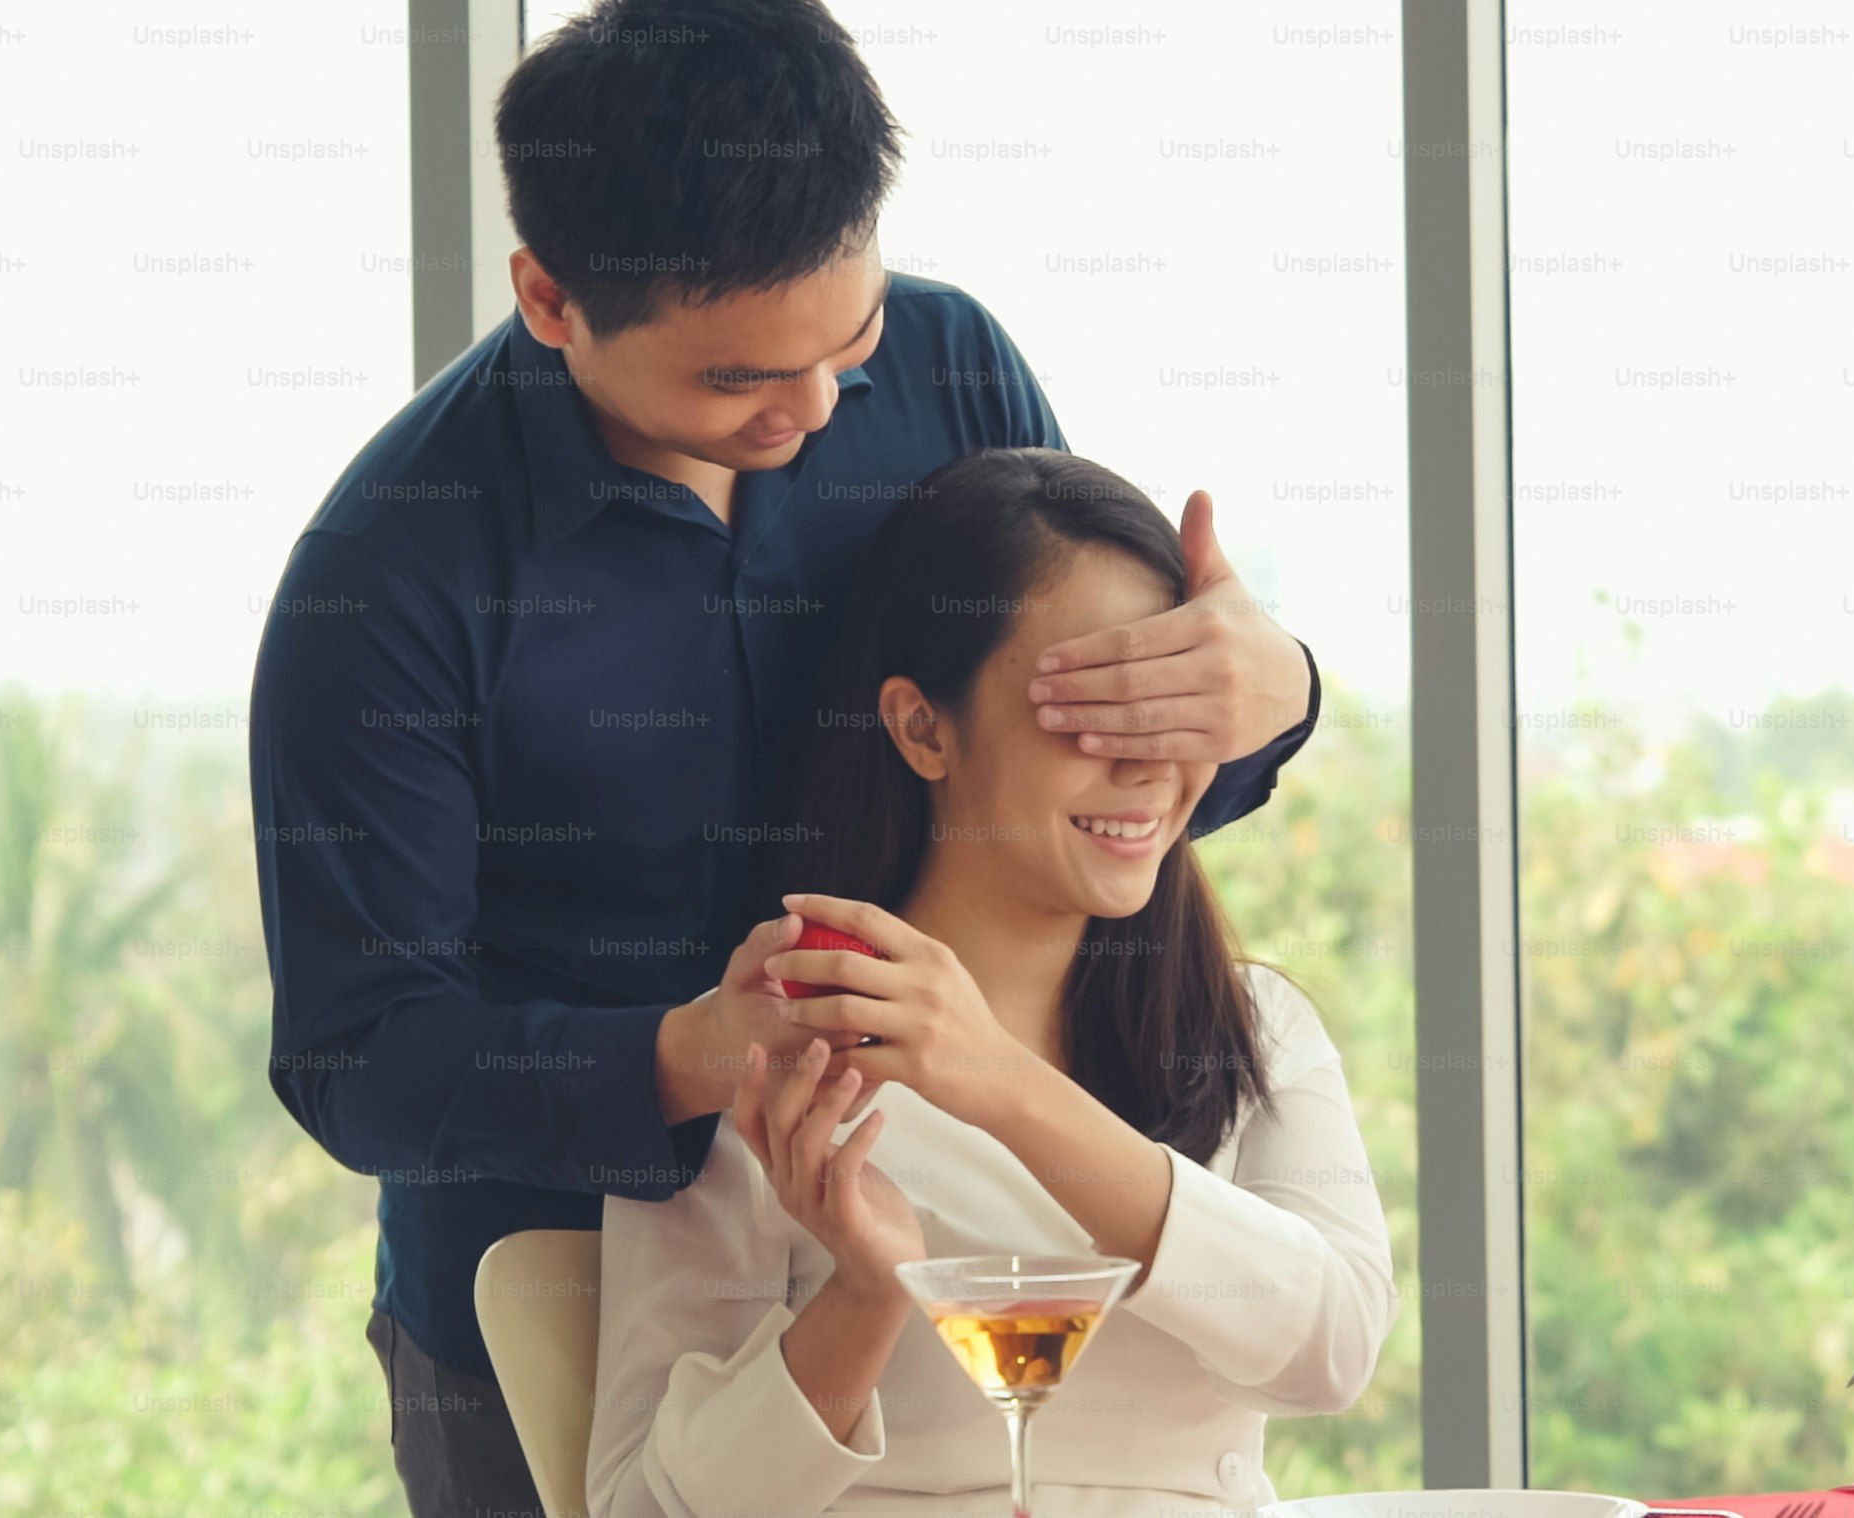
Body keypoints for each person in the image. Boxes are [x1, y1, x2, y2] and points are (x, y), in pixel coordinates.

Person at [247, 4, 1322, 1513]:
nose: (814, 412)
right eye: (736, 380)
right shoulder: (395, 576)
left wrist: (1265, 692)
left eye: (848, 342)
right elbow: (354, 1054)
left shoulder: (949, 367)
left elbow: (1054, 757)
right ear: (550, 297)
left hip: (940, 1224)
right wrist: (690, 1052)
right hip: (547, 1295)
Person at [588, 448, 1395, 1518]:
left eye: (1171, 706)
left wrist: (1001, 1084)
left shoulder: (1248, 1024)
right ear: (923, 727)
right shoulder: (761, 1038)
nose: (1148, 762)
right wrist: (869, 1295)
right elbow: (646, 1509)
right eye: (1093, 705)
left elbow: (1330, 1351)